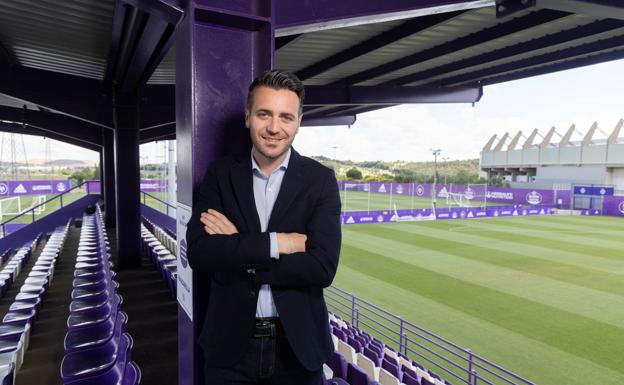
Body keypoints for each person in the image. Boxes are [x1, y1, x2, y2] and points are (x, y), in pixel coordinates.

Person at [186, 69, 341, 385]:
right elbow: (201, 254)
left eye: (286, 117)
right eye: (264, 114)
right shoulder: (220, 175)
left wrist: (239, 248)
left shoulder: (320, 180)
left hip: (298, 349)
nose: (274, 127)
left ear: (298, 122)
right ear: (247, 117)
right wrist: (277, 243)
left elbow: (322, 268)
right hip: (229, 347)